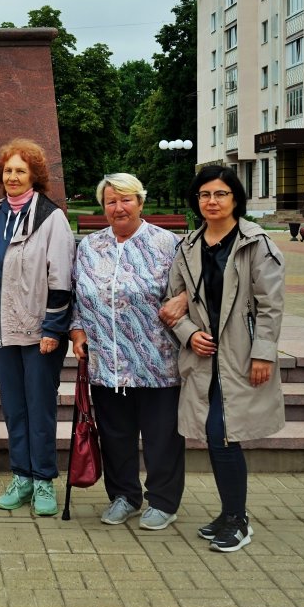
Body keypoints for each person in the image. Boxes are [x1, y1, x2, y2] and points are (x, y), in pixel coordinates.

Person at [166, 165, 285, 552]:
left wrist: (263, 354)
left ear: (235, 199)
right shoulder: (187, 247)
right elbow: (172, 304)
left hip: (239, 353)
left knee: (222, 434)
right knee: (218, 434)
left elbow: (271, 305)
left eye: (220, 194)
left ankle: (238, 520)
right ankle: (228, 514)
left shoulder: (256, 243)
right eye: (204, 195)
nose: (211, 201)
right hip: (203, 357)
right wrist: (188, 334)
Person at [69, 173, 185, 531]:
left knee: (160, 435)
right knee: (115, 434)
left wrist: (182, 299)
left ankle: (163, 501)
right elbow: (78, 297)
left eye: (126, 200)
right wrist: (76, 331)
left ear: (141, 201)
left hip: (157, 361)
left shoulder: (168, 244)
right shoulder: (89, 246)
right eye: (111, 201)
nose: (119, 208)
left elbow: (191, 291)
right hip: (107, 361)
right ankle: (124, 496)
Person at [0, 139, 74, 518]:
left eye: (20, 171)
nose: (12, 177)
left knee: (39, 406)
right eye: (8, 170)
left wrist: (53, 328)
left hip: (39, 330)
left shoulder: (51, 217)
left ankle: (44, 480)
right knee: (13, 407)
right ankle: (21, 478)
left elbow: (61, 277)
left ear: (34, 176)